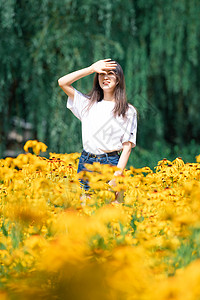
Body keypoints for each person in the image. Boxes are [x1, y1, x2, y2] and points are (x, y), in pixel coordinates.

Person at [58, 59, 137, 201]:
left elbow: (127, 148)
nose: (105, 77)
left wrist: (115, 178)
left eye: (110, 74)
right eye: (101, 74)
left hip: (111, 164)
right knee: (85, 213)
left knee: (111, 212)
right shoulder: (87, 104)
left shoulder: (127, 111)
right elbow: (62, 82)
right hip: (86, 162)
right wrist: (91, 68)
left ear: (118, 79)